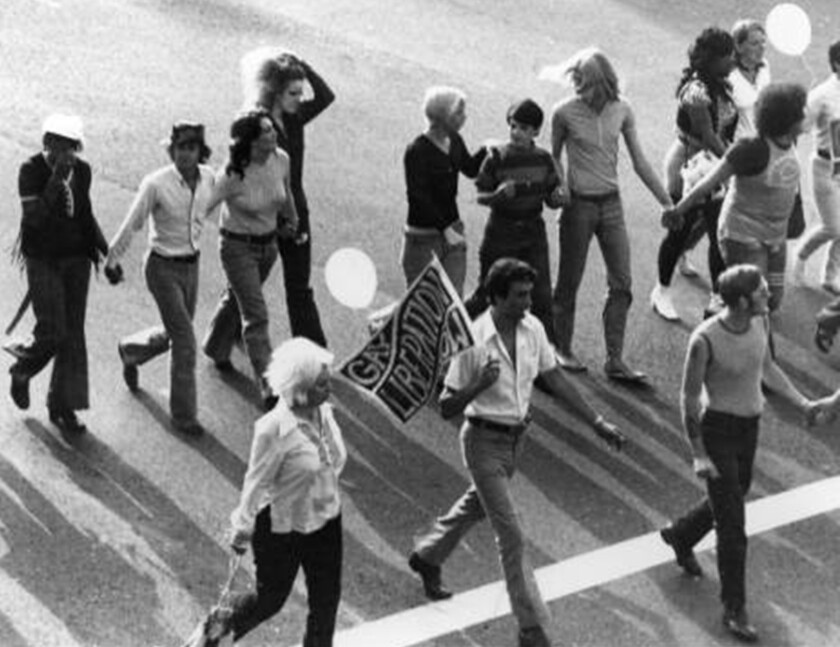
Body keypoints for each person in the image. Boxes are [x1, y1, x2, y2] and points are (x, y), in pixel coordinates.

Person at [409, 258, 625, 647]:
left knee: (476, 505)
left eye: (530, 293)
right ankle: (530, 628)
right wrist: (477, 384)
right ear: (495, 297)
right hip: (481, 442)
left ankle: (427, 555)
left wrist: (597, 422)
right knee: (512, 535)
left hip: (515, 442)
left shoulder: (534, 328)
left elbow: (554, 377)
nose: (529, 301)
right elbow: (446, 406)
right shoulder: (473, 338)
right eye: (520, 295)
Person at [658, 264, 823, 643]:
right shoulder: (705, 340)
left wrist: (802, 403)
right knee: (733, 527)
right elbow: (687, 398)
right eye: (763, 292)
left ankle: (681, 534)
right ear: (743, 299)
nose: (769, 296)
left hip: (750, 430)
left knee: (732, 495)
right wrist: (698, 452)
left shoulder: (760, 324)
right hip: (718, 432)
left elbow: (768, 368)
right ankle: (735, 609)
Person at [206, 337, 346, 647]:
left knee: (326, 601)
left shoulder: (325, 413)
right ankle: (211, 638)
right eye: (322, 385)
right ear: (300, 387)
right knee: (270, 600)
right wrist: (242, 528)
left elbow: (333, 461)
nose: (330, 390)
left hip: (326, 520)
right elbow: (255, 482)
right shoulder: (273, 428)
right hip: (283, 528)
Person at [551, 48, 672, 380]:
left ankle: (615, 360)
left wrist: (667, 202)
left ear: (604, 83)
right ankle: (562, 349)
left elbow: (640, 161)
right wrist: (560, 186)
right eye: (577, 83)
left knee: (622, 281)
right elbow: (553, 157)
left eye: (586, 84)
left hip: (611, 205)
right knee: (568, 283)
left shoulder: (623, 109)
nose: (581, 91)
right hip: (578, 207)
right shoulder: (563, 113)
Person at [105, 122, 217, 436]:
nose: (184, 153)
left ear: (200, 151)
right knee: (185, 342)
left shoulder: (209, 178)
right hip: (161, 268)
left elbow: (219, 200)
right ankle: (184, 416)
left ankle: (132, 350)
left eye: (191, 148)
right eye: (179, 147)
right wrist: (113, 259)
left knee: (174, 334)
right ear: (172, 150)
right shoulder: (156, 183)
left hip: (192, 267)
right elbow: (133, 223)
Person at [662, 83, 807, 316]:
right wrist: (677, 211)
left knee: (773, 300)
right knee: (754, 302)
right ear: (787, 119)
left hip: (775, 238)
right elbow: (709, 182)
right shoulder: (750, 148)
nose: (806, 115)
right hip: (742, 235)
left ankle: (724, 318)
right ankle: (720, 337)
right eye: (801, 112)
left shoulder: (790, 142)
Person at [7, 114, 107, 432]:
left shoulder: (83, 171)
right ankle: (23, 369)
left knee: (73, 335)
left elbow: (86, 216)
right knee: (53, 329)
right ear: (47, 142)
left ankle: (63, 405)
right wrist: (55, 180)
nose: (66, 152)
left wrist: (108, 254)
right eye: (59, 144)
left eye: (72, 146)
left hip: (77, 259)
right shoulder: (31, 170)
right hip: (44, 259)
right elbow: (33, 218)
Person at [202, 109, 299, 409]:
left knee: (238, 297)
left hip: (268, 246)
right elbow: (204, 205)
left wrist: (293, 221)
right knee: (255, 314)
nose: (273, 133)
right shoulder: (233, 173)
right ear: (251, 141)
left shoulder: (281, 158)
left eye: (272, 128)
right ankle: (269, 384)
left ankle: (215, 346)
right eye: (266, 130)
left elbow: (287, 193)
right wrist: (183, 236)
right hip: (236, 247)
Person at [240, 48, 334, 347]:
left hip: (296, 211)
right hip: (266, 214)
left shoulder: (294, 118)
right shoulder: (257, 125)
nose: (299, 98)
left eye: (299, 91)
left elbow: (326, 97)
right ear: (276, 92)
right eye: (293, 92)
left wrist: (301, 64)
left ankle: (312, 349)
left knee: (299, 285)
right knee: (248, 283)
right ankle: (223, 334)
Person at [651, 28, 737, 322]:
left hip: (713, 166)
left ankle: (717, 295)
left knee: (717, 233)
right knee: (679, 229)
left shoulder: (722, 84)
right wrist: (736, 162)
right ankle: (661, 290)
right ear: (713, 59)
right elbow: (709, 136)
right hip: (688, 166)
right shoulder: (697, 91)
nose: (733, 61)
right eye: (728, 57)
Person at [464, 98, 563, 347]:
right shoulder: (497, 157)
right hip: (501, 230)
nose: (516, 133)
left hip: (533, 231)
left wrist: (558, 198)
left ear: (536, 132)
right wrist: (497, 196)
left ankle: (547, 355)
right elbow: (481, 196)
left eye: (524, 128)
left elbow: (551, 197)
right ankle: (456, 334)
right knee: (487, 292)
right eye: (514, 126)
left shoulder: (544, 160)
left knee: (541, 295)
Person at [402, 86, 487, 296]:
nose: (464, 117)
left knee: (452, 299)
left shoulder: (455, 140)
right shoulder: (417, 150)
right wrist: (444, 229)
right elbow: (418, 196)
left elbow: (469, 168)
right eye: (459, 113)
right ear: (444, 115)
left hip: (452, 231)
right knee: (423, 300)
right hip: (423, 237)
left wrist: (487, 150)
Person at [791, 40, 840, 293]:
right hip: (824, 166)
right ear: (836, 64)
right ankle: (801, 255)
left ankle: (830, 276)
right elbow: (800, 127)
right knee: (833, 226)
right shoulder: (821, 95)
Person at [729, 20, 771, 142]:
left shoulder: (765, 67)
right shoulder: (729, 78)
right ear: (738, 46)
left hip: (762, 143)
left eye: (763, 42)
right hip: (738, 148)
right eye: (754, 44)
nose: (762, 48)